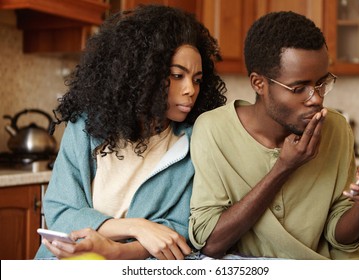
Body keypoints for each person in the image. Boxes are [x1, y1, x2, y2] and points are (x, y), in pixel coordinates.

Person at [188, 11, 359, 260]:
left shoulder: (336, 129)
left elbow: (340, 240)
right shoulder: (213, 130)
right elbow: (210, 243)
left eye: (321, 83)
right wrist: (283, 168)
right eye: (299, 88)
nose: (316, 98)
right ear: (259, 84)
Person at [35, 4, 226, 260]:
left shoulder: (193, 141)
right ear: (144, 74)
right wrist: (137, 227)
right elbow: (60, 212)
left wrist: (116, 252)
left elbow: (178, 232)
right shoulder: (86, 126)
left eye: (197, 79)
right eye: (178, 75)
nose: (190, 89)